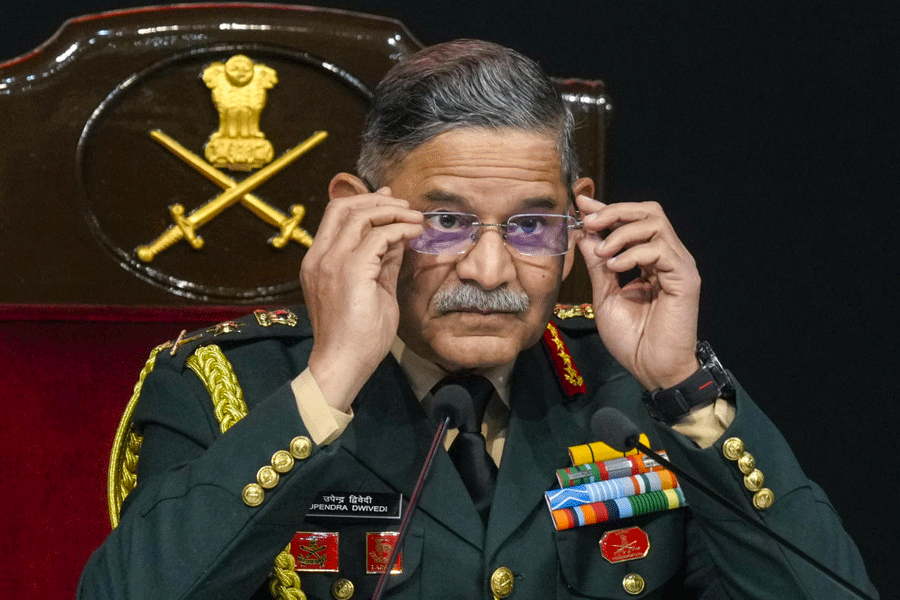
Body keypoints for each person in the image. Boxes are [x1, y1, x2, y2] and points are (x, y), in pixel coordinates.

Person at [78, 40, 877, 600]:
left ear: (582, 225)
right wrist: (328, 384)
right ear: (358, 218)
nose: (491, 272)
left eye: (532, 225)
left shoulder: (632, 384)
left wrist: (681, 389)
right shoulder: (226, 390)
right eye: (446, 224)